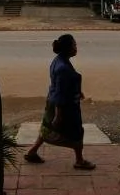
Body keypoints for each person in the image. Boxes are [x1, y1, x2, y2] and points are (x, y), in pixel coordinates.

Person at [24, 34, 96, 170]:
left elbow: (62, 85)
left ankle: (32, 151)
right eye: (74, 45)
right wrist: (59, 114)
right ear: (68, 48)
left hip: (53, 101)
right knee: (76, 131)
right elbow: (61, 92)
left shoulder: (58, 60)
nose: (76, 47)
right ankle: (79, 160)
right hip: (64, 106)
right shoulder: (63, 68)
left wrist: (77, 91)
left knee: (47, 128)